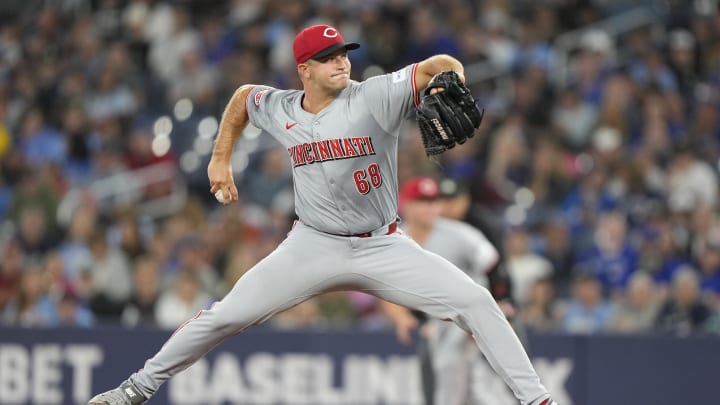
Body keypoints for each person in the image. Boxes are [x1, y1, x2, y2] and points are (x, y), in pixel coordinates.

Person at [88, 24, 557, 405]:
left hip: (382, 244)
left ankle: (537, 401)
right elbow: (243, 98)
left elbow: (438, 66)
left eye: (344, 54)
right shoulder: (281, 107)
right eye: (330, 58)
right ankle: (135, 389)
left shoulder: (374, 96)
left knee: (475, 301)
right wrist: (220, 157)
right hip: (313, 244)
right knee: (223, 316)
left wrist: (450, 77)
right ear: (304, 70)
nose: (342, 62)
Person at [381, 176, 519, 405]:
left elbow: (494, 265)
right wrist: (401, 318)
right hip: (439, 321)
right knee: (461, 384)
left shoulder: (459, 233)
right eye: (422, 201)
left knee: (457, 372)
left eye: (433, 201)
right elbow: (381, 283)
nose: (430, 208)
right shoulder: (396, 240)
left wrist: (499, 302)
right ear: (407, 205)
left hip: (473, 312)